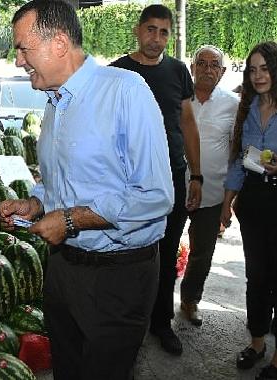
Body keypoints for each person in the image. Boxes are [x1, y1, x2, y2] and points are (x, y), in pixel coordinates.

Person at [0, 2, 173, 379]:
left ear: (59, 43)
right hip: (63, 270)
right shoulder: (54, 101)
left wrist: (72, 220)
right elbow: (61, 181)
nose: (18, 62)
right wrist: (36, 202)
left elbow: (156, 194)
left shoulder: (125, 92)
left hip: (118, 278)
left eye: (22, 49)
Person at [110, 4, 202, 356]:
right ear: (137, 30)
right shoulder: (117, 72)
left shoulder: (178, 71)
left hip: (172, 179)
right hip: (128, 181)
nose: (157, 38)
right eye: (151, 29)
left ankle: (161, 324)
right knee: (127, 252)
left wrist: (197, 174)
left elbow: (188, 124)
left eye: (164, 32)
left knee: (166, 254)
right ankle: (125, 323)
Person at [221, 41, 277, 379]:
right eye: (252, 69)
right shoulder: (249, 108)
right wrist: (226, 204)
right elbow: (239, 162)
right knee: (256, 276)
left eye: (265, 68)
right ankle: (257, 343)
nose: (258, 76)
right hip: (254, 202)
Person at [179, 45, 239, 327]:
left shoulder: (233, 104)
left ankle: (190, 300)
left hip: (213, 193)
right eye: (201, 63)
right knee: (164, 248)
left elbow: (235, 151)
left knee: (202, 252)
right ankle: (157, 307)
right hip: (175, 188)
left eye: (214, 64)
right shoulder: (179, 99)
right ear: (192, 68)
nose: (207, 69)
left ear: (223, 72)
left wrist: (230, 199)